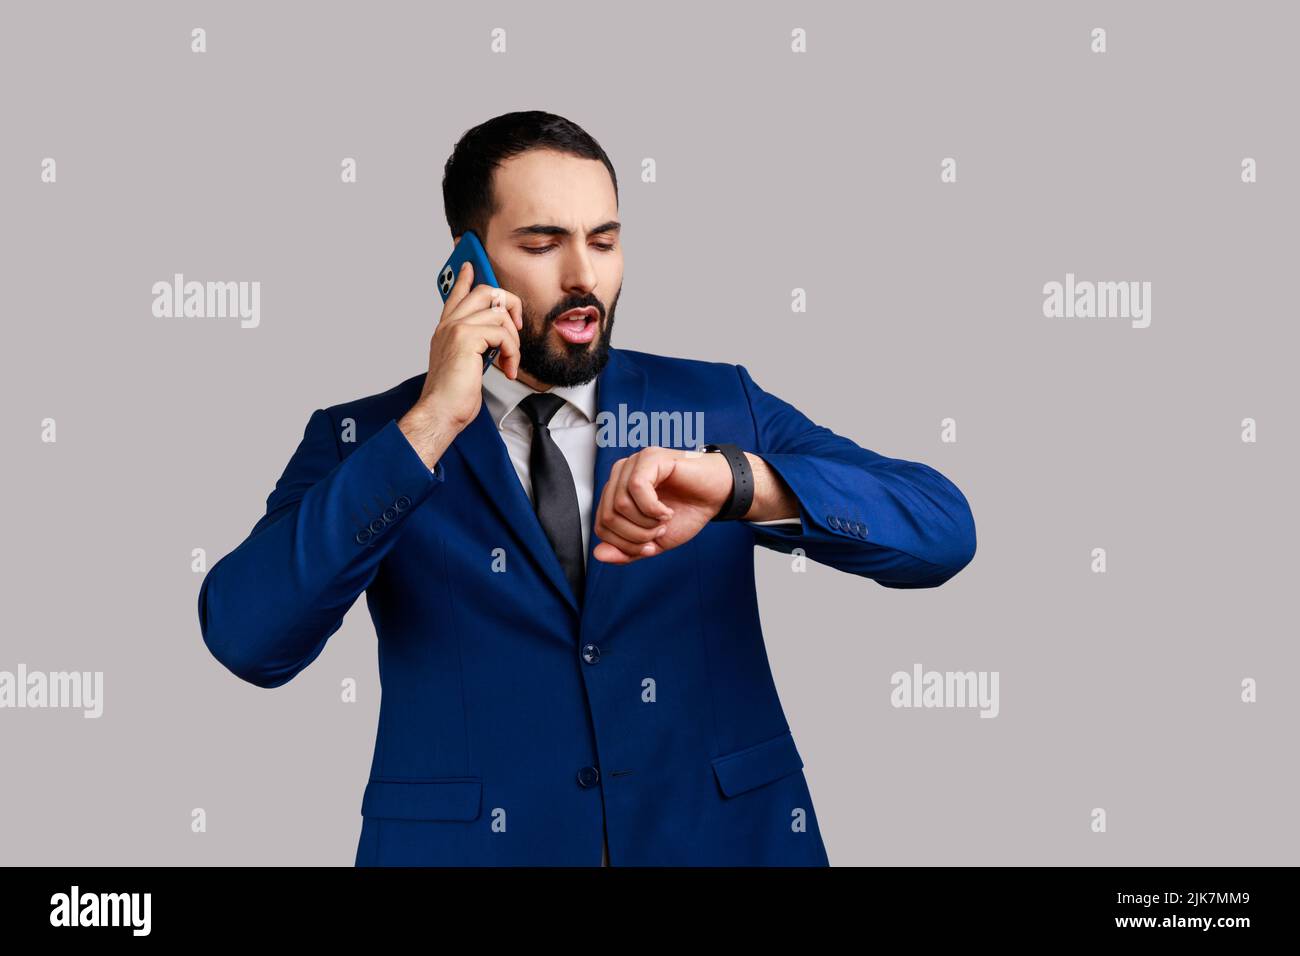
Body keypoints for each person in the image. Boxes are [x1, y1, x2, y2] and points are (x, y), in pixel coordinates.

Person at [197, 110, 977, 866]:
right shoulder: (366, 439)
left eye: (604, 241)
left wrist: (739, 482)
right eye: (543, 243)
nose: (584, 278)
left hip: (725, 843)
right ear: (467, 263)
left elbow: (942, 530)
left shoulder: (717, 403)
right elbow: (249, 638)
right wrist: (430, 424)